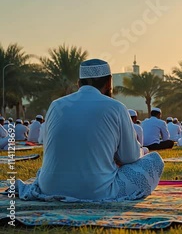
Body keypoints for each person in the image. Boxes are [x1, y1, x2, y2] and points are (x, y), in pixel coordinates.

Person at [17, 59, 164, 202]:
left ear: (79, 83)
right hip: (96, 191)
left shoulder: (56, 105)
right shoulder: (116, 107)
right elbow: (129, 157)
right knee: (155, 160)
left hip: (49, 187)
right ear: (108, 83)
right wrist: (141, 152)